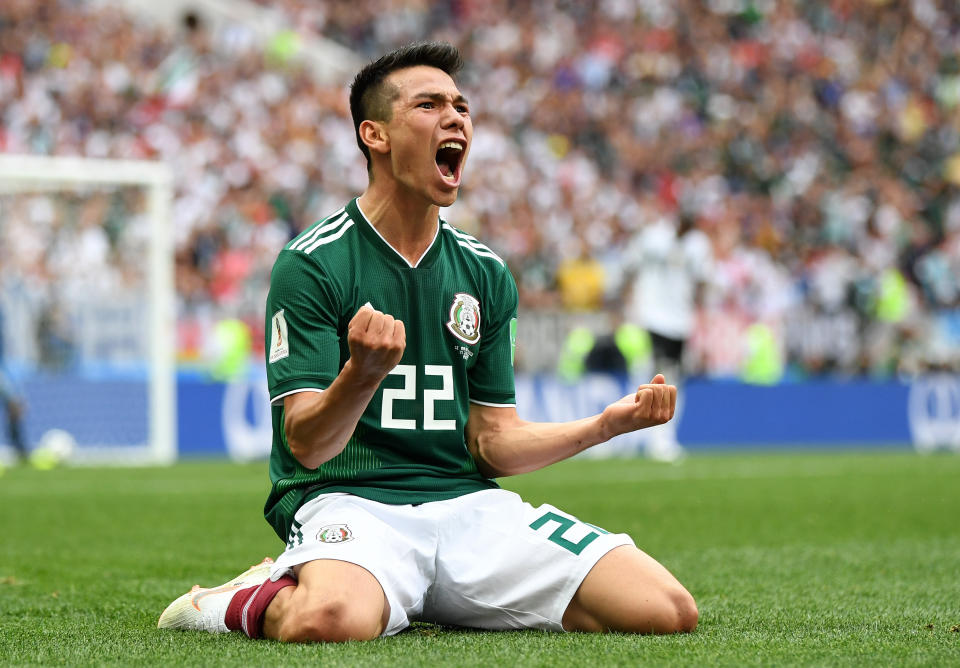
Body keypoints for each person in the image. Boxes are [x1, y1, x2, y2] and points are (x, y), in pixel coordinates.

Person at [158, 42, 697, 642]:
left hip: (467, 507)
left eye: (461, 107)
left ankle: (417, 589)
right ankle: (242, 596)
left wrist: (603, 426)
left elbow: (493, 443)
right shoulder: (312, 263)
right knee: (328, 620)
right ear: (376, 135)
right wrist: (360, 373)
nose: (456, 118)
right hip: (349, 502)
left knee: (665, 610)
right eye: (429, 104)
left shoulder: (485, 272)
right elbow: (305, 444)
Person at [624, 212, 713, 462]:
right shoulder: (653, 237)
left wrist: (701, 318)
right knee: (651, 374)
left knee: (672, 379)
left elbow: (702, 282)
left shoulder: (698, 245)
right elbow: (630, 266)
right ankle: (649, 437)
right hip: (650, 316)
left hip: (680, 322)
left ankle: (664, 437)